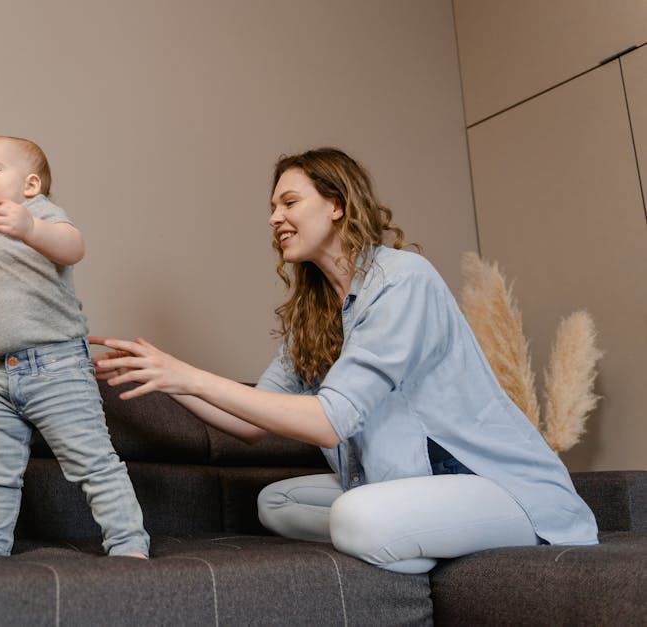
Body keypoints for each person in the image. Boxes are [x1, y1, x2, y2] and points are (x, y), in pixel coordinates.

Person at [91, 147, 597, 574]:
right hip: (405, 483)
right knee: (275, 503)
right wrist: (167, 377)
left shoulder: (402, 280)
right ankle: (419, 535)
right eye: (272, 206)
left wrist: (189, 374)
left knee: (356, 516)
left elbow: (331, 422)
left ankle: (413, 534)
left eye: (290, 201)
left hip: (501, 489)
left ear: (336, 204)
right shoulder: (316, 314)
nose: (274, 218)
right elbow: (248, 423)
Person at [0, 136, 149, 559]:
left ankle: (129, 544)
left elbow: (74, 248)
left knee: (92, 462)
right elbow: (16, 293)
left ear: (31, 186)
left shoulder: (40, 215)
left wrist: (31, 227)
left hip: (56, 367)